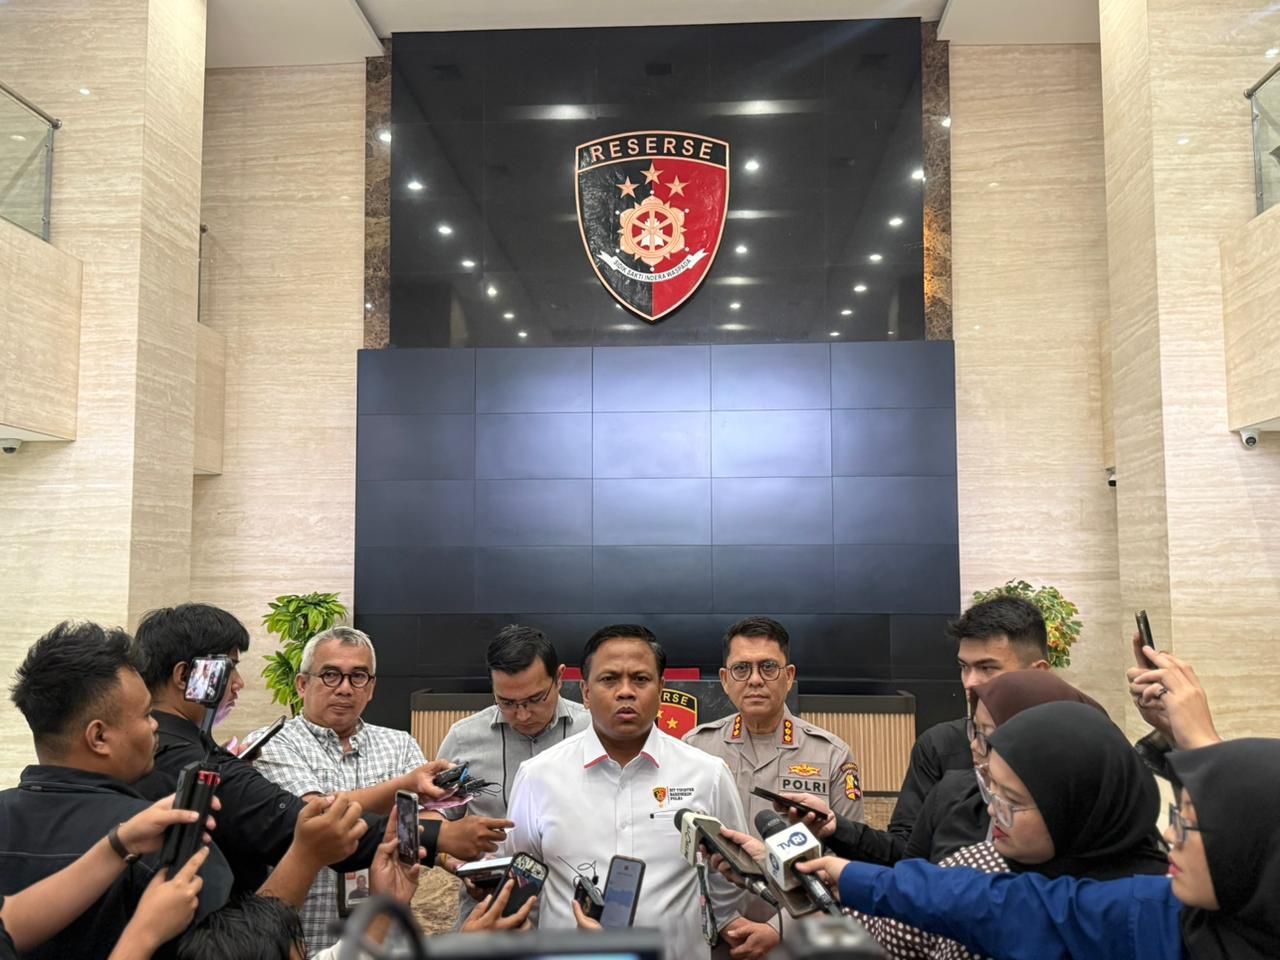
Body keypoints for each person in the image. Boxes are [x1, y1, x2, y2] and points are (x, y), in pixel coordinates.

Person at [799, 737, 1280, 960]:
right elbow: (1003, 904)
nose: (1172, 835)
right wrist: (851, 877)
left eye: (1190, 824)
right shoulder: (1164, 914)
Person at [501, 624, 779, 960]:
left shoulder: (708, 774)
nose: (625, 692)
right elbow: (523, 884)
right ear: (585, 692)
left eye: (640, 679)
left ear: (661, 688)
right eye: (609, 679)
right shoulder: (538, 777)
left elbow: (729, 882)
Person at [132, 605, 446, 900]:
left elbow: (435, 808)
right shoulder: (193, 757)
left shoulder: (400, 742)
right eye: (229, 668)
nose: (238, 683)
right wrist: (441, 835)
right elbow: (310, 824)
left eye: (358, 677)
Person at [251, 626, 499, 955]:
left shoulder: (399, 744)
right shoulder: (272, 745)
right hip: (303, 938)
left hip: (388, 941)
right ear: (302, 684)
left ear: (371, 688)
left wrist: (453, 861)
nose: (344, 688)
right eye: (330, 675)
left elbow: (423, 823)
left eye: (358, 677)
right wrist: (406, 788)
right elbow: (318, 817)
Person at [1, 621, 233, 959]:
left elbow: (10, 923)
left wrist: (119, 845)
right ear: (98, 737)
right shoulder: (169, 847)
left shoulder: (141, 834)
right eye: (146, 715)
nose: (155, 725)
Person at [780, 671, 1106, 866]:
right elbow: (908, 876)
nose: (972, 682)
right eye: (976, 731)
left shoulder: (1113, 894)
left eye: (989, 668)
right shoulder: (951, 793)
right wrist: (839, 839)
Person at [888, 596, 1050, 840]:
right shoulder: (939, 745)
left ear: (1037, 673)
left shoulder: (1079, 747)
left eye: (987, 668)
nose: (970, 682)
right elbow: (905, 844)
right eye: (964, 667)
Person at [683, 617, 864, 827]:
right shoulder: (695, 747)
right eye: (741, 668)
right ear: (725, 680)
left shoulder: (832, 754)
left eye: (768, 667)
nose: (755, 680)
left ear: (789, 676)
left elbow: (850, 842)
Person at [437, 625, 592, 820]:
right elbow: (435, 812)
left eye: (535, 699)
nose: (523, 715)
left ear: (559, 678)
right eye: (507, 703)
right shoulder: (462, 739)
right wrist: (454, 831)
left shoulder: (593, 730)